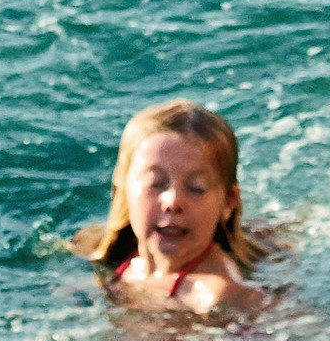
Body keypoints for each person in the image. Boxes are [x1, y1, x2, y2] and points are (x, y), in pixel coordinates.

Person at [68, 99, 279, 315]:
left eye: (196, 188)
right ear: (121, 190)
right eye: (156, 183)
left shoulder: (218, 297)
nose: (173, 202)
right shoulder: (94, 246)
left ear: (228, 203)